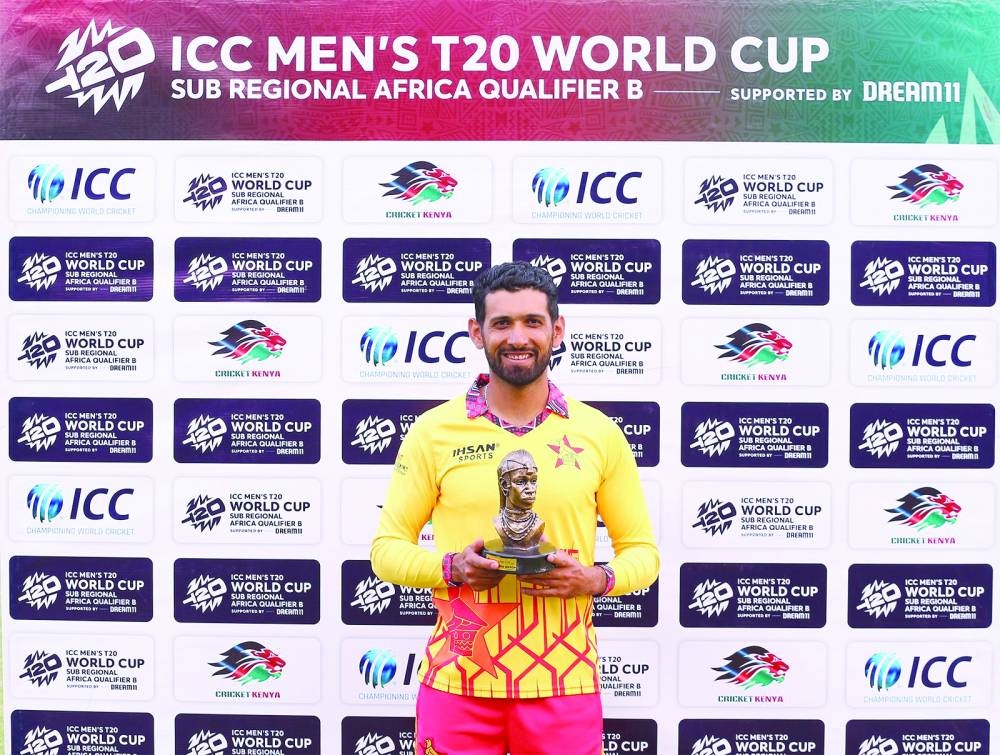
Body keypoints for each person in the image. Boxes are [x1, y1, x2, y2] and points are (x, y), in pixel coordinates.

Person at [371, 261, 659, 755]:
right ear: (477, 333)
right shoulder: (433, 432)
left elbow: (644, 554)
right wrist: (452, 567)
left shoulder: (598, 433)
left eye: (532, 321)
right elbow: (386, 550)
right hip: (458, 679)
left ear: (557, 330)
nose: (518, 336)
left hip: (563, 682)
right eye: (501, 323)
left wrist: (596, 579)